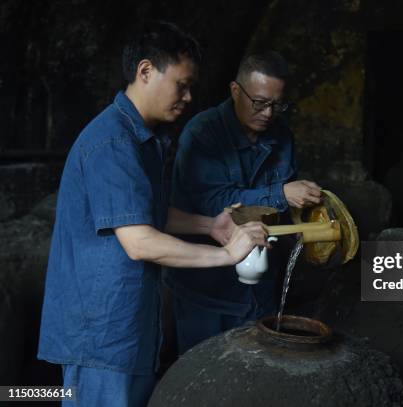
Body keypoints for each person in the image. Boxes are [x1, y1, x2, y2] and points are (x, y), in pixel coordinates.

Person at [37, 21, 268, 407]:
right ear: (146, 71)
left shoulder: (144, 140)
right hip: (100, 340)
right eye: (182, 84)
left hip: (128, 332)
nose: (189, 96)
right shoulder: (112, 142)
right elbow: (139, 241)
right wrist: (227, 255)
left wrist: (210, 225)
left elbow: (145, 215)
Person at [165, 51, 322, 354]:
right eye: (260, 102)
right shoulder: (202, 133)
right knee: (202, 379)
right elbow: (213, 202)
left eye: (277, 104)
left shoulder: (282, 135)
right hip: (206, 290)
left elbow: (286, 208)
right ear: (236, 91)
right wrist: (282, 194)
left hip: (261, 288)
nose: (268, 113)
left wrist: (309, 213)